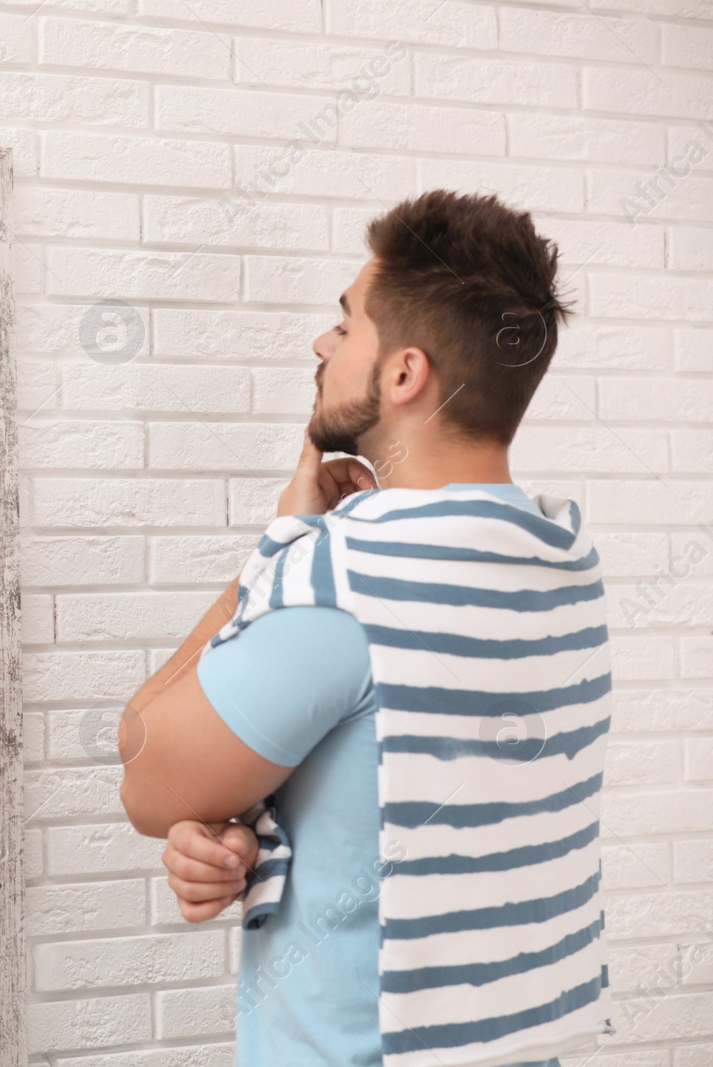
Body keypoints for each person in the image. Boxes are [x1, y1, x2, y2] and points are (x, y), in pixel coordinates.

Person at [117, 190, 613, 1067]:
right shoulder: (563, 560)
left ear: (402, 374)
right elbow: (391, 781)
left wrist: (282, 535)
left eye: (346, 326)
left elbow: (144, 767)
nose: (323, 344)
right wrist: (253, 826)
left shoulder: (345, 577)